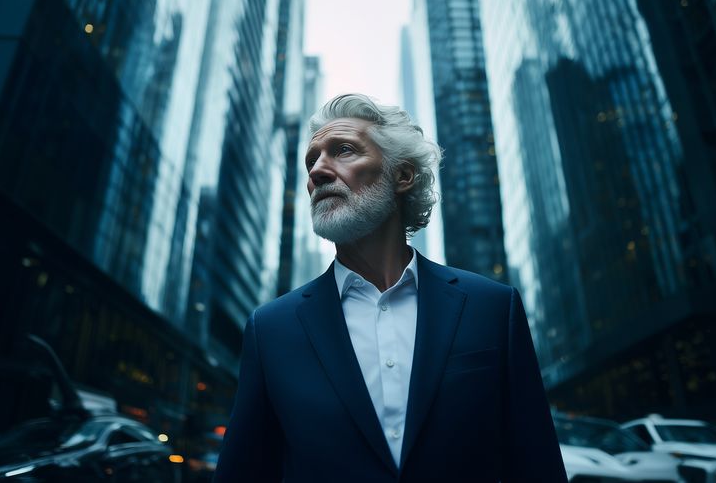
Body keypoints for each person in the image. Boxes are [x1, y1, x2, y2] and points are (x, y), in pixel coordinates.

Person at [213, 94, 567, 482]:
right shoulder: (271, 329)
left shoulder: (494, 308)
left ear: (402, 176)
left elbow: (537, 463)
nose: (317, 171)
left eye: (343, 150)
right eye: (311, 160)